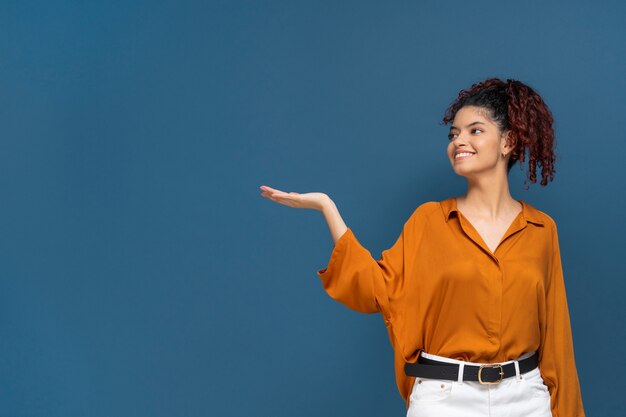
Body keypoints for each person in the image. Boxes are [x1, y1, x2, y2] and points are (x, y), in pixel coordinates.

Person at [259, 77, 585, 417]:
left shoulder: (541, 229)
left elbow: (556, 337)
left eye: (474, 131)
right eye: (454, 133)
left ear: (508, 142)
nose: (459, 140)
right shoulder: (429, 221)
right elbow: (376, 289)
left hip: (526, 399)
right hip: (447, 399)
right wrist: (327, 207)